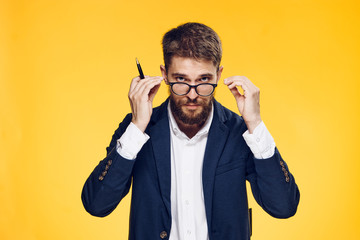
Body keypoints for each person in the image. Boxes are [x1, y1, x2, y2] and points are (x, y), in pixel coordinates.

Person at [81, 22, 300, 240]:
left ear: (218, 74)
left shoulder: (240, 131)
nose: (193, 95)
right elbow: (97, 204)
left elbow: (283, 207)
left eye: (203, 80)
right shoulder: (136, 129)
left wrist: (255, 123)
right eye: (181, 80)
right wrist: (137, 128)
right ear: (164, 74)